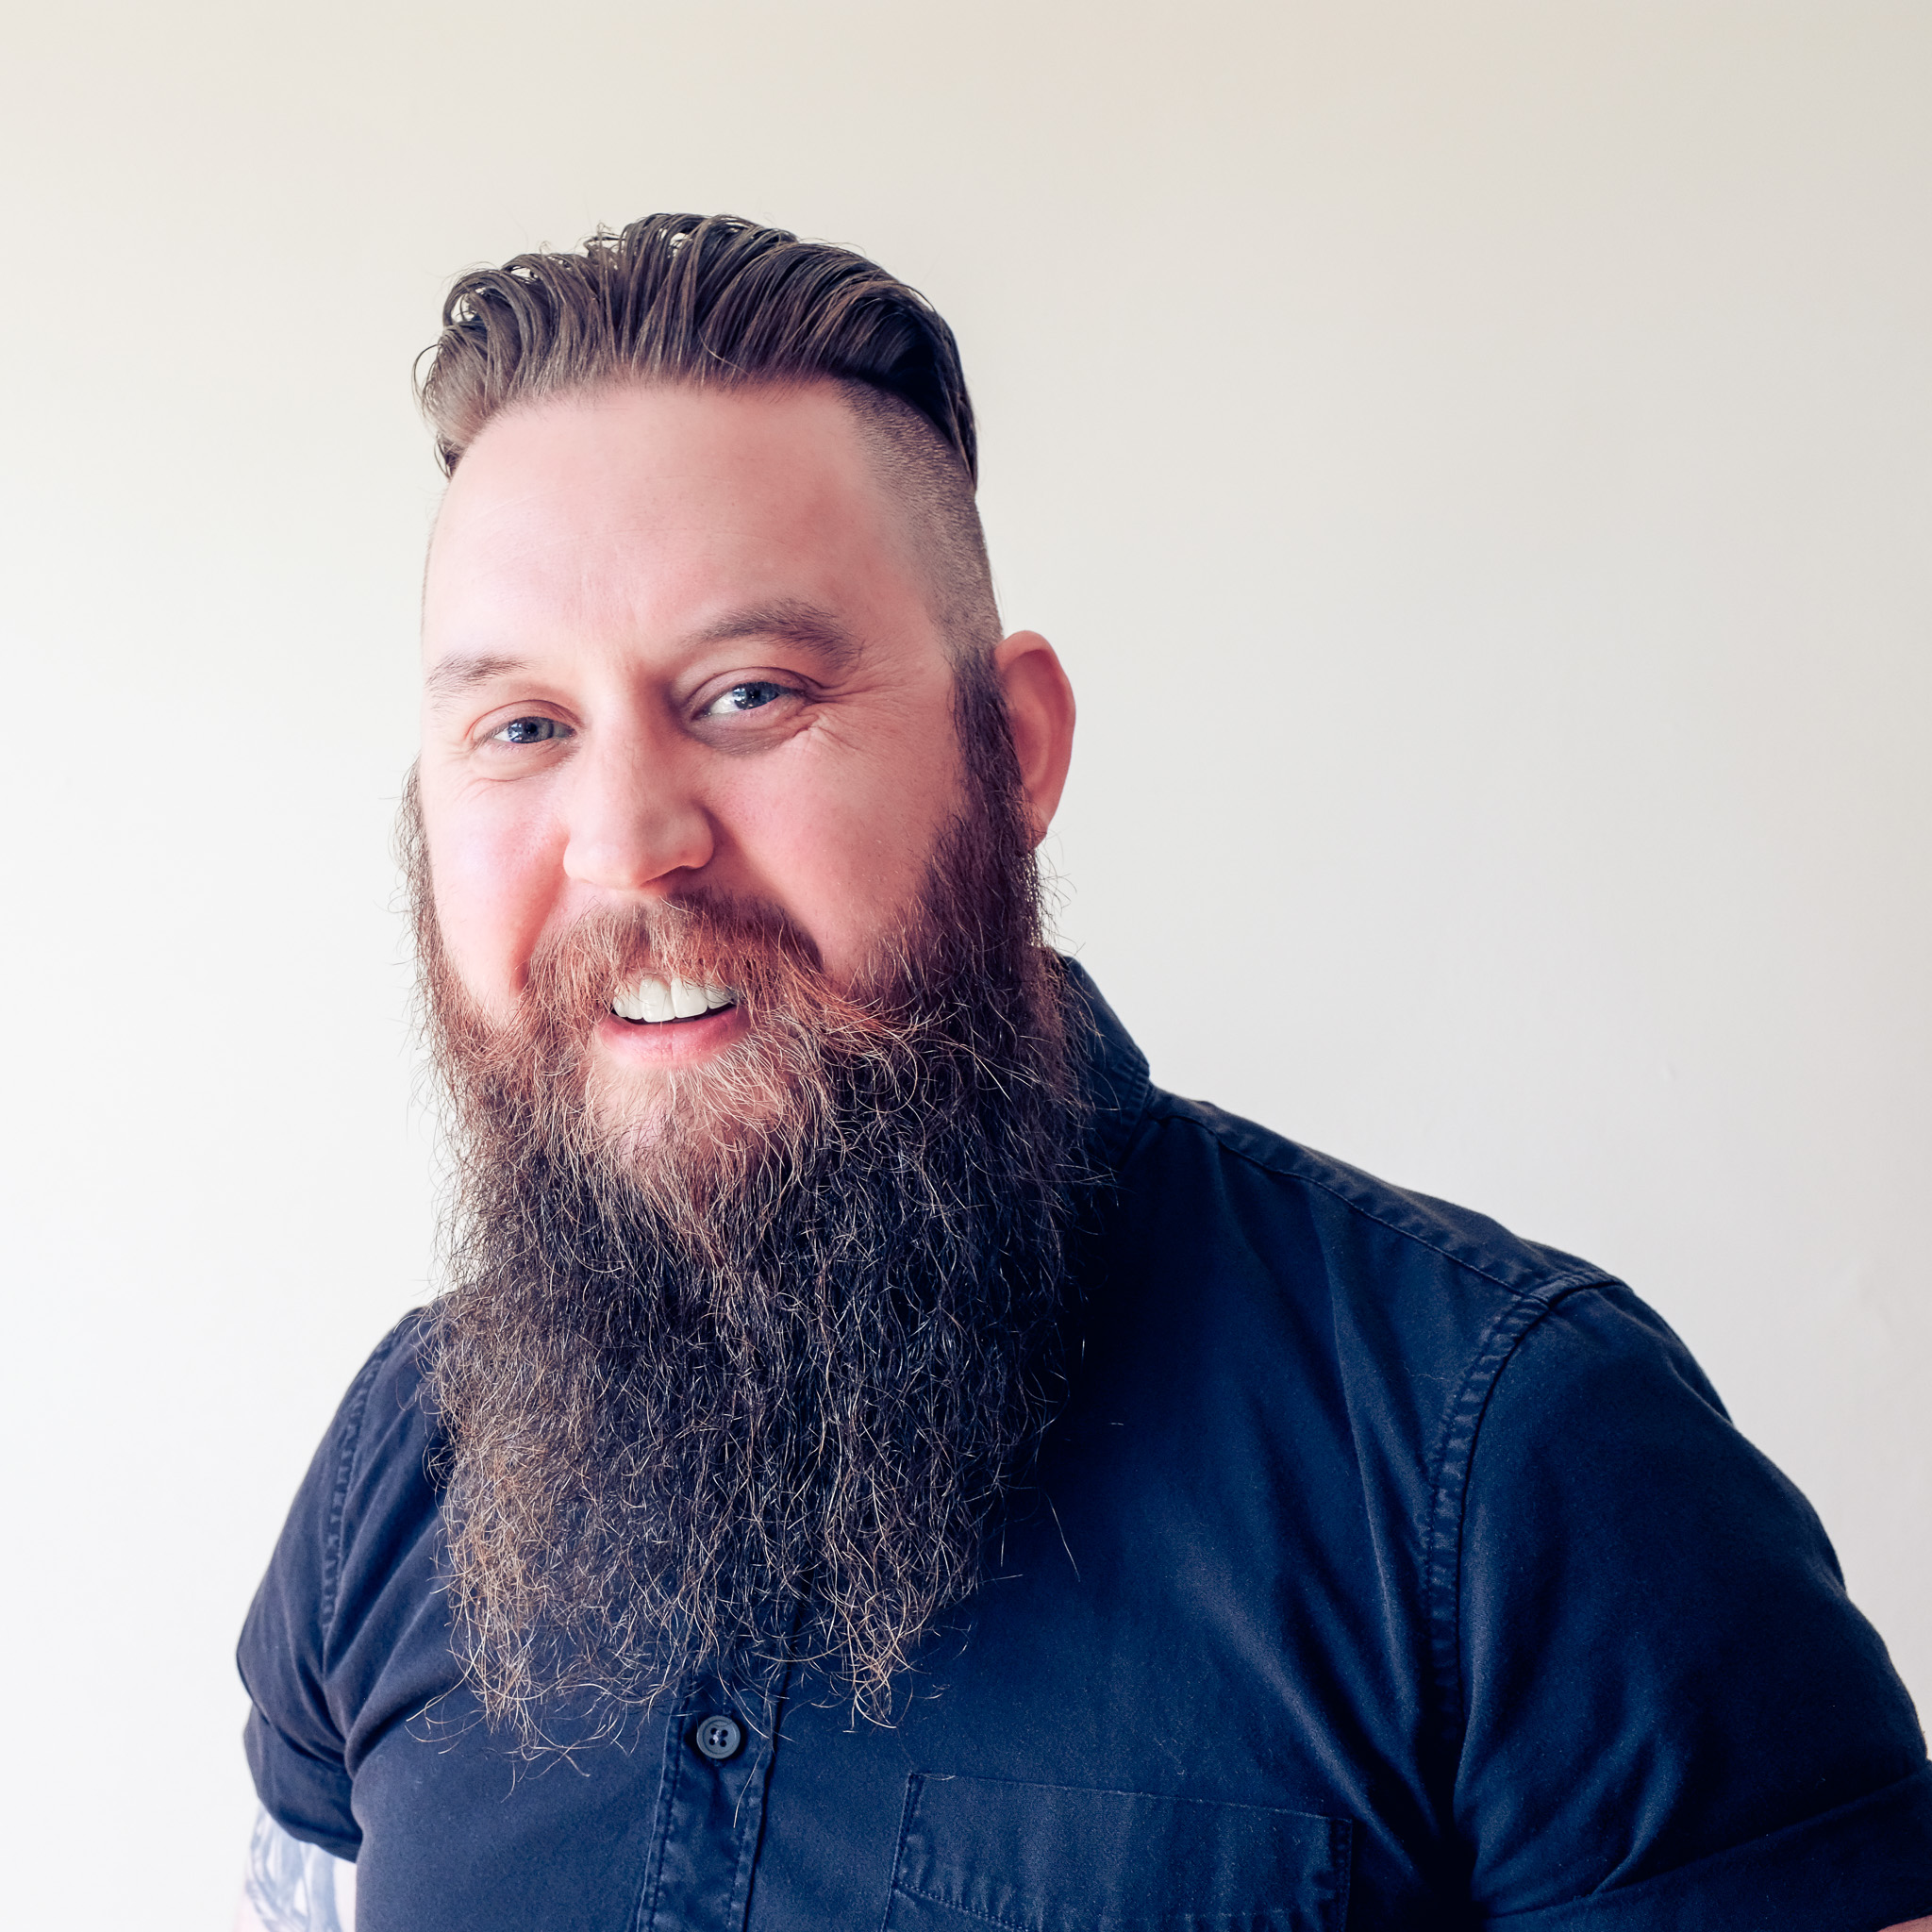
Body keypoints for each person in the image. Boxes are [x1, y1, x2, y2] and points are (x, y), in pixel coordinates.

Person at [235, 212, 1932, 1932]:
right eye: (520, 728)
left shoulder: (1522, 1470)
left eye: (750, 693)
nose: (626, 844)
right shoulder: (397, 1458)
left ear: (1016, 747)